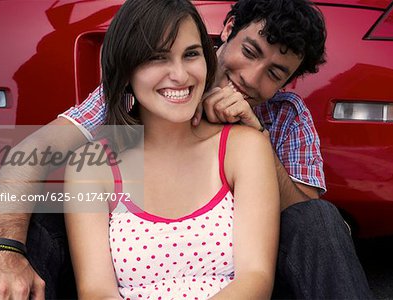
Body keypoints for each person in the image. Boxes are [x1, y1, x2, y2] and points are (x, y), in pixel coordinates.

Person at [0, 0, 373, 299]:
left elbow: (310, 224)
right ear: (228, 28)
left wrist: (257, 136)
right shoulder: (132, 100)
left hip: (247, 271)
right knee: (41, 217)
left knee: (320, 217)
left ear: (287, 83)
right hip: (123, 255)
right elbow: (31, 153)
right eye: (249, 52)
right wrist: (0, 246)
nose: (250, 78)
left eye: (275, 73)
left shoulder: (284, 116)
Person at [64, 1, 279, 298]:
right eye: (157, 58)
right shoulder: (91, 167)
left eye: (191, 54)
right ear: (126, 69)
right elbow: (96, 291)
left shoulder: (244, 148)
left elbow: (256, 277)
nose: (180, 75)